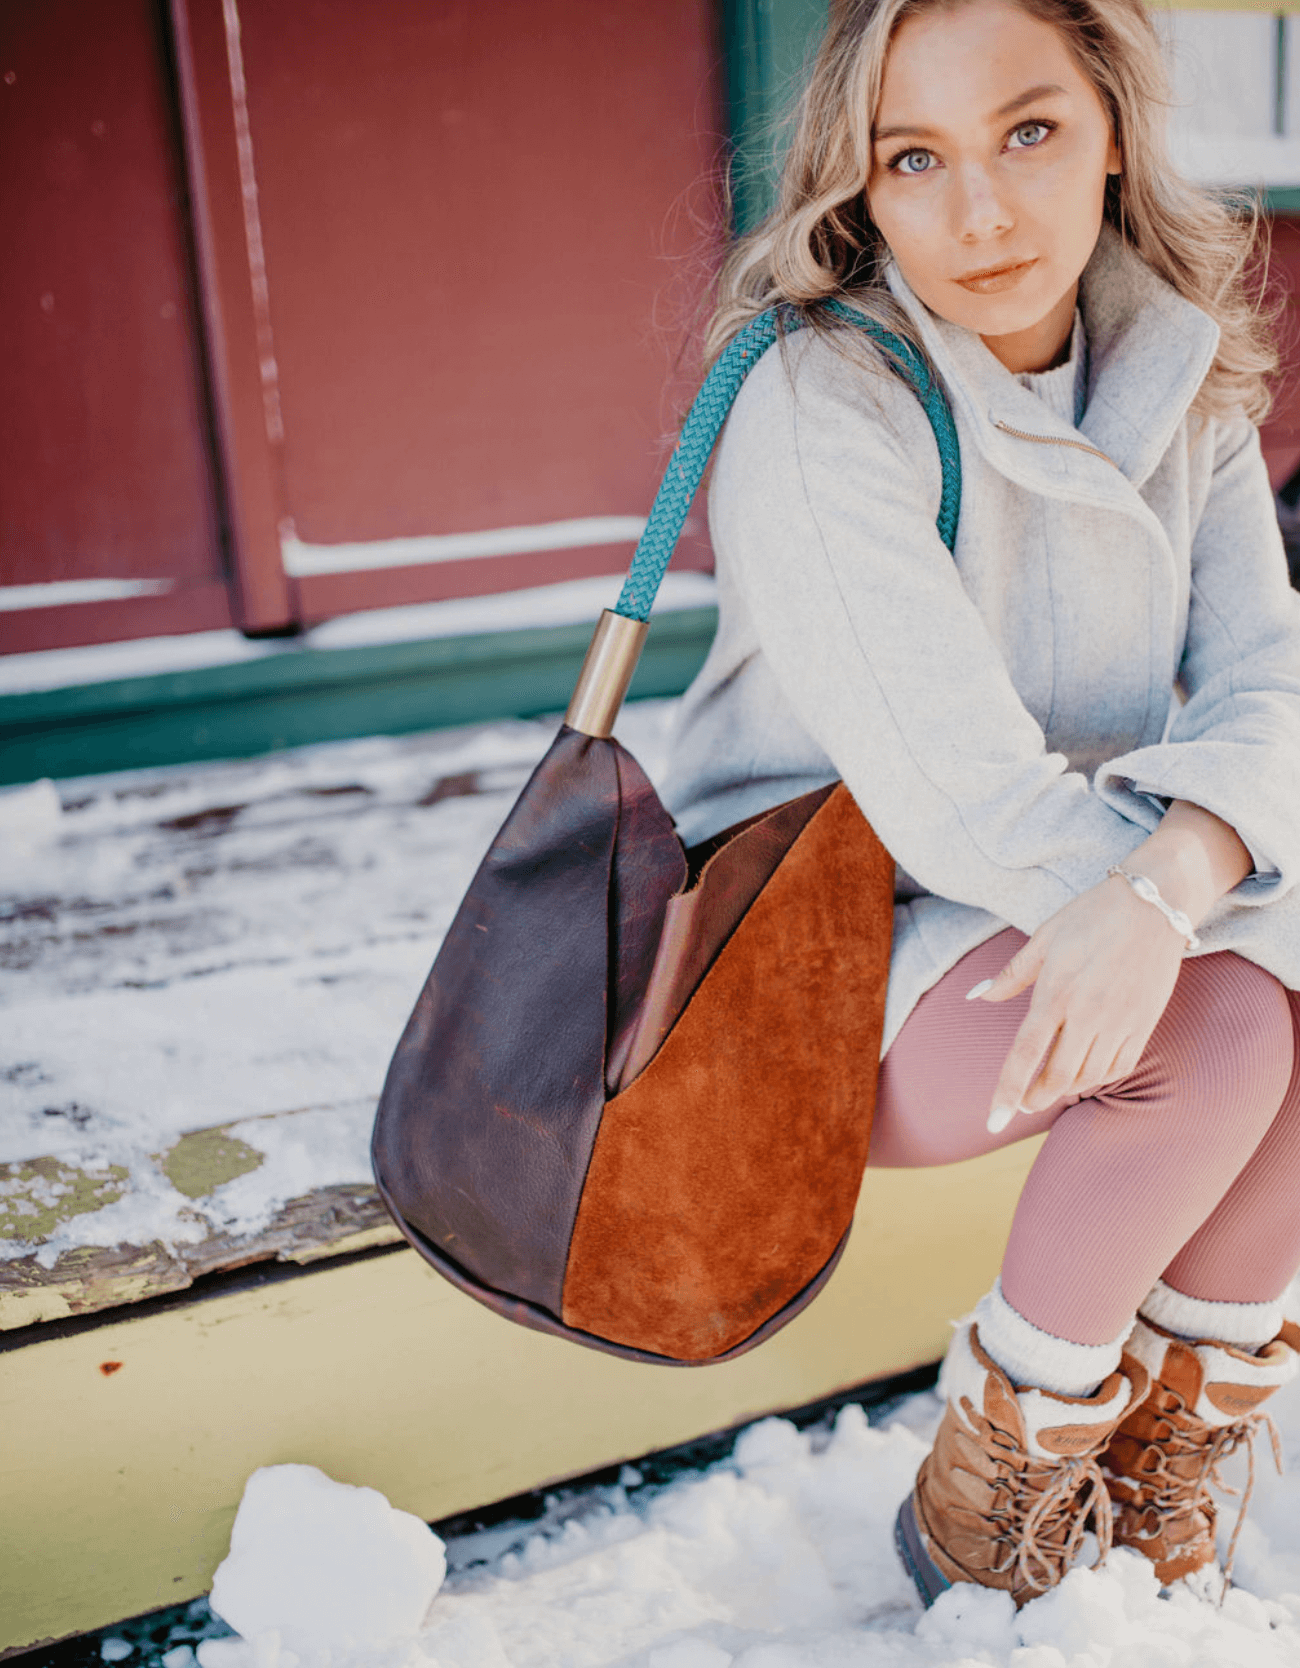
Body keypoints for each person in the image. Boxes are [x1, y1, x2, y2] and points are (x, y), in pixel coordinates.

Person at [659, 0, 1300, 1610]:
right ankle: (987, 1504)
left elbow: (1271, 690)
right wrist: (1162, 909)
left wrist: (1175, 880)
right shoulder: (822, 396)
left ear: (1113, 134)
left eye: (1029, 133)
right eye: (914, 159)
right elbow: (962, 802)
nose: (983, 212)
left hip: (1075, 898)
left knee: (1251, 993)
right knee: (1219, 1031)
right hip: (822, 947)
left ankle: (1163, 1472)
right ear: (857, 191)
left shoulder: (1180, 364)